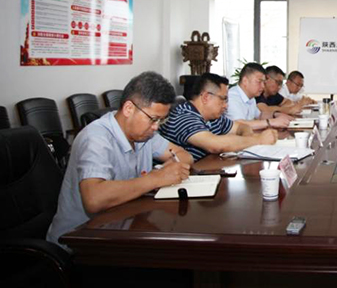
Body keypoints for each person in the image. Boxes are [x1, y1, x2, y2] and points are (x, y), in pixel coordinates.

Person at [47, 71, 194, 249]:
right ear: (129, 109)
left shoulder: (145, 134)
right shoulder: (96, 138)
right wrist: (156, 178)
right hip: (80, 242)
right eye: (153, 119)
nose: (156, 127)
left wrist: (170, 168)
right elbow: (94, 199)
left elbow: (184, 155)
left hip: (124, 227)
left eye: (161, 120)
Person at [160, 72, 277, 160]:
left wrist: (247, 138)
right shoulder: (184, 117)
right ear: (206, 97)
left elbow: (241, 127)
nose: (226, 105)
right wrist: (258, 140)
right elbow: (215, 145)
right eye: (223, 99)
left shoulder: (214, 117)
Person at [226, 63, 292, 129]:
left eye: (263, 82)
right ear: (245, 81)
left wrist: (276, 115)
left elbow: (260, 115)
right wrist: (271, 122)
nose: (263, 86)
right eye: (259, 82)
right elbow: (239, 124)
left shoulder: (251, 98)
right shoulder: (232, 97)